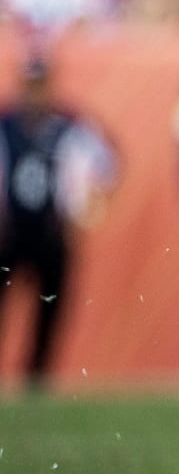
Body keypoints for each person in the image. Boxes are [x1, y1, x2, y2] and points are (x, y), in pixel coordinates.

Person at [0, 59, 116, 389]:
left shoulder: (70, 125)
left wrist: (88, 205)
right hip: (8, 234)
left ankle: (36, 381)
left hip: (52, 232)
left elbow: (107, 164)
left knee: (49, 312)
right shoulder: (6, 122)